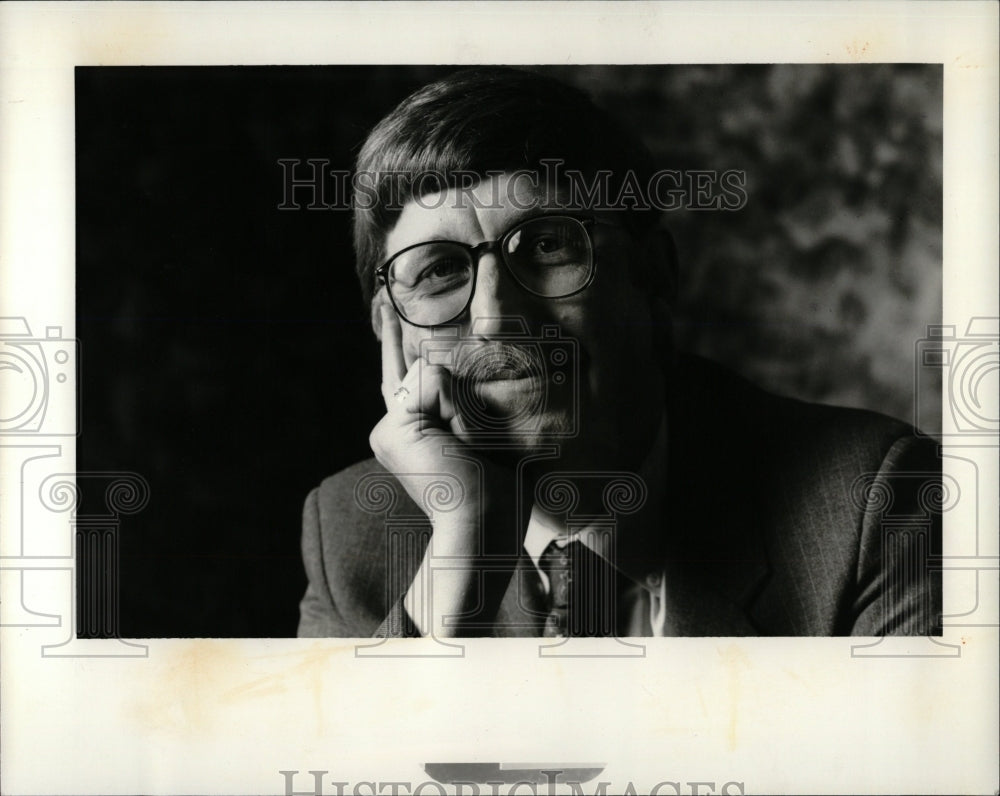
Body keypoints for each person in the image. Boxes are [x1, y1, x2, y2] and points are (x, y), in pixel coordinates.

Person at [297, 67, 942, 638]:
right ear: (393, 333)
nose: (496, 320)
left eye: (549, 246)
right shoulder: (350, 535)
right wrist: (465, 551)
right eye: (438, 272)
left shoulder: (876, 503)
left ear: (653, 280)